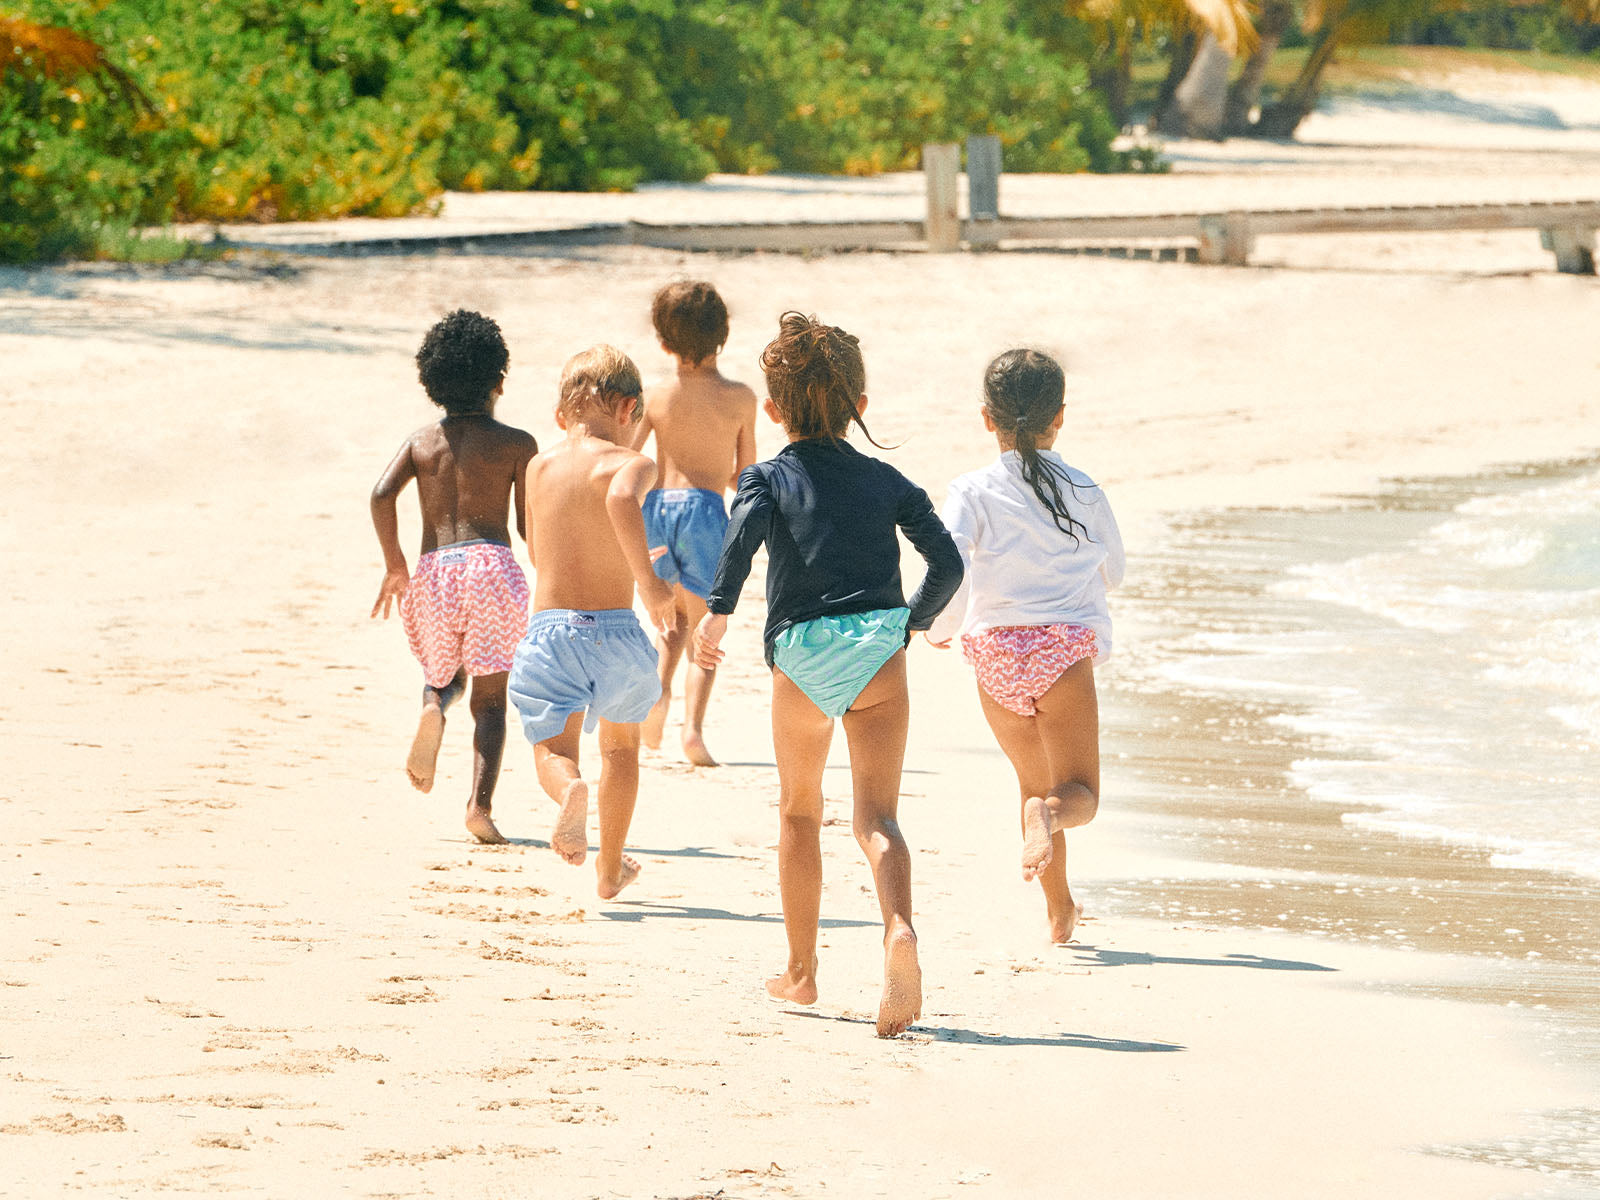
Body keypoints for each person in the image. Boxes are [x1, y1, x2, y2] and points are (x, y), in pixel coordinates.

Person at [692, 312, 963, 1037]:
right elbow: (947, 564)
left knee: (799, 812)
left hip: (804, 654)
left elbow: (740, 546)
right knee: (878, 818)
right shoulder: (888, 480)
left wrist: (716, 616)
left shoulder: (767, 477)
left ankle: (801, 971)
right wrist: (909, 623)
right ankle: (899, 928)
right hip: (878, 651)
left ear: (772, 411)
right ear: (860, 406)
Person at [924, 349, 1125, 944]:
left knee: (1034, 784)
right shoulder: (1083, 489)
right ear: (1059, 416)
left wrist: (938, 628)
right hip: (1061, 651)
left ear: (987, 418)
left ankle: (1060, 910)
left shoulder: (970, 489)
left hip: (994, 654)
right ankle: (1046, 823)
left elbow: (952, 565)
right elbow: (1115, 571)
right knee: (1076, 795)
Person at [508, 345, 679, 899]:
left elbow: (538, 552)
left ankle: (570, 791)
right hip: (617, 633)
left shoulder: (538, 467)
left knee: (552, 751)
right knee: (621, 751)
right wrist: (647, 580)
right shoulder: (633, 463)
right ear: (629, 410)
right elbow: (622, 501)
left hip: (552, 631)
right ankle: (609, 868)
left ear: (561, 415)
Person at [370, 309, 537, 846]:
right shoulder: (518, 444)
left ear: (433, 384)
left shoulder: (422, 442)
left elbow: (380, 495)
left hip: (435, 572)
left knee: (445, 677)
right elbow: (527, 527)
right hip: (492, 568)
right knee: (491, 701)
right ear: (498, 381)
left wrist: (395, 563)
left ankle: (432, 708)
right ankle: (479, 807)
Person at [631, 281, 758, 767]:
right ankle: (692, 732)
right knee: (705, 628)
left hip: (658, 512)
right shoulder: (740, 398)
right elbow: (746, 476)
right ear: (723, 334)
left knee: (671, 621)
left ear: (664, 342)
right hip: (706, 513)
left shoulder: (656, 396)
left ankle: (658, 695)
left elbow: (628, 458)